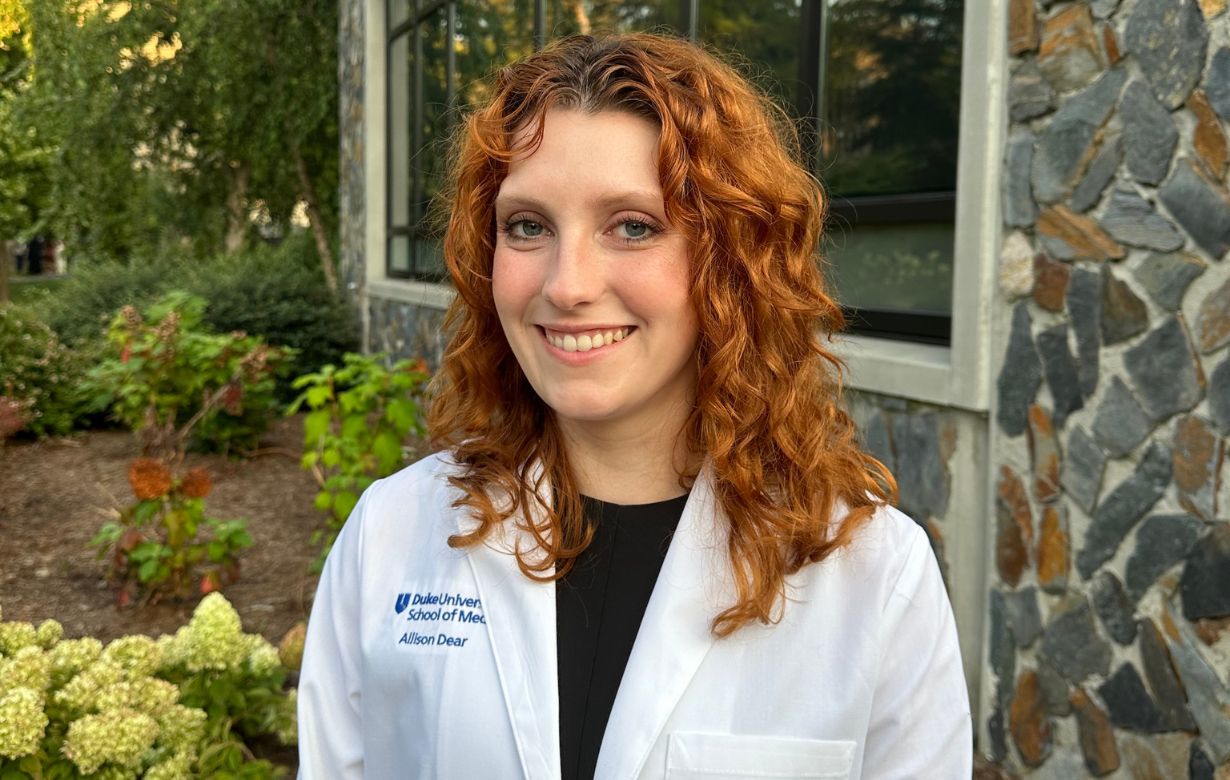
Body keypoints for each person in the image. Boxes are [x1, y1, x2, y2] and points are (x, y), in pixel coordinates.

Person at [297, 32, 971, 779]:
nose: (567, 284)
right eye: (528, 226)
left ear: (732, 261)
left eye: (633, 226)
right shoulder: (389, 538)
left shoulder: (876, 577)